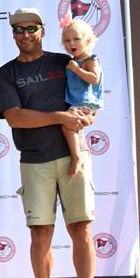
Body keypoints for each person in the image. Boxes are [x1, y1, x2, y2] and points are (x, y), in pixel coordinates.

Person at [0, 7, 99, 278]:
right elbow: (15, 116)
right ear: (13, 35)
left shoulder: (63, 60)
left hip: (74, 157)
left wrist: (88, 116)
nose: (25, 34)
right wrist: (59, 117)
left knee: (81, 229)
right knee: (40, 234)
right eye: (18, 30)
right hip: (35, 161)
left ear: (42, 31)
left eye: (31, 28)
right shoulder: (6, 73)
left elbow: (90, 91)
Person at [60, 19, 104, 177]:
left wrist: (77, 70)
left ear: (88, 40)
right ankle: (77, 155)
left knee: (67, 125)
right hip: (78, 102)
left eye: (76, 39)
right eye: (67, 40)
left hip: (86, 102)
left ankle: (77, 156)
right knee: (70, 125)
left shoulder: (91, 60)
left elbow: (94, 79)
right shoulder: (74, 61)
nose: (71, 43)